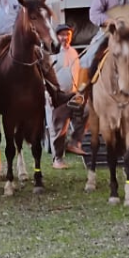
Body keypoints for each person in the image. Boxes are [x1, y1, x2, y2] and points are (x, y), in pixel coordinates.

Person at [45, 24, 81, 168]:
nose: (65, 38)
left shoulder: (74, 53)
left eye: (68, 35)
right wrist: (48, 93)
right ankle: (57, 159)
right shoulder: (52, 53)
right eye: (62, 35)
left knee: (86, 113)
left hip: (71, 94)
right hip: (54, 95)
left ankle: (74, 142)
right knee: (57, 126)